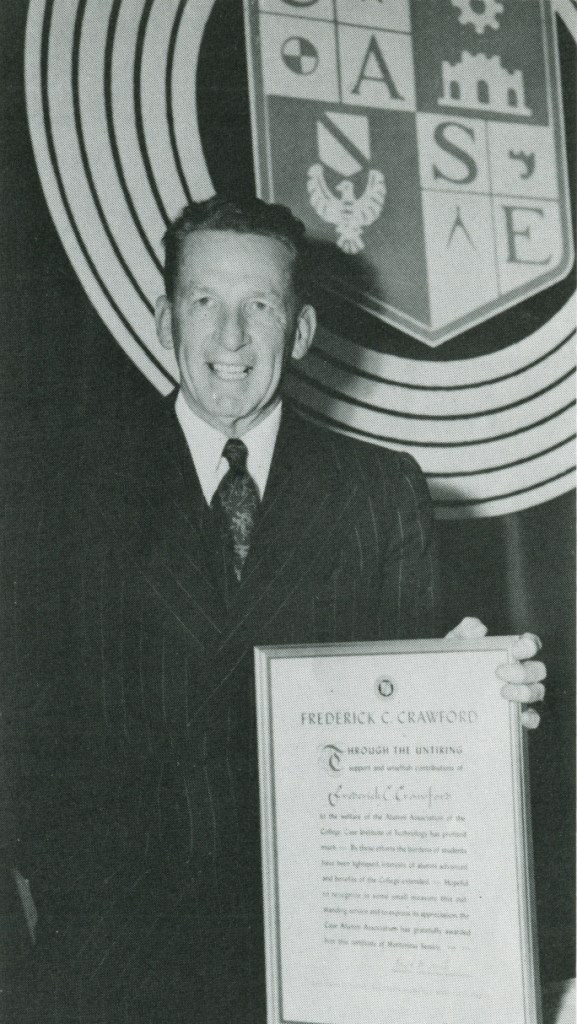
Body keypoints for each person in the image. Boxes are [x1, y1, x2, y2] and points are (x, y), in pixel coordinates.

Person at [2, 196, 546, 1023]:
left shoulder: (378, 492)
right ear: (161, 319)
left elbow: (404, 755)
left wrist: (475, 703)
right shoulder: (63, 488)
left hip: (321, 957)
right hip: (112, 959)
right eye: (204, 302)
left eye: (259, 305)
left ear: (298, 331)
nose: (230, 337)